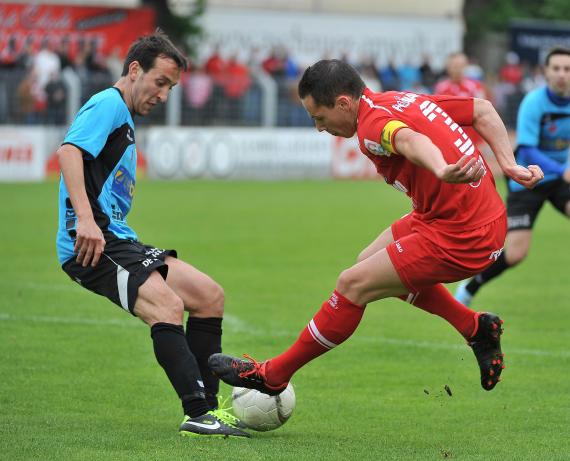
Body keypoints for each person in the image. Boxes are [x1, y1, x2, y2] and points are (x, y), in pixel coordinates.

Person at [208, 59, 543, 398]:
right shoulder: (399, 99)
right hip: (452, 215)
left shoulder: (372, 126)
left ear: (343, 103)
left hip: (465, 234)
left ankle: (273, 376)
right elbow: (482, 111)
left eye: (319, 118)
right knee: (368, 260)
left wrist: (441, 169)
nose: (320, 128)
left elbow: (410, 140)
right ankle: (475, 327)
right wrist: (508, 164)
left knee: (352, 284)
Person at [56, 31, 249, 438]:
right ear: (133, 70)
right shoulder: (109, 103)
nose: (164, 94)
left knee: (209, 296)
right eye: (160, 82)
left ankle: (209, 410)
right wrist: (86, 221)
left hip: (119, 238)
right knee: (166, 306)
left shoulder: (123, 117)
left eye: (171, 87)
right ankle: (196, 412)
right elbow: (68, 152)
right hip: (91, 243)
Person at [455, 47, 570, 306]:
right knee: (516, 253)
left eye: (567, 69)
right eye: (557, 68)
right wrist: (563, 170)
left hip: (560, 181)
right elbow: (527, 149)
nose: (562, 74)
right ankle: (471, 287)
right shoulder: (534, 102)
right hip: (527, 180)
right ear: (546, 73)